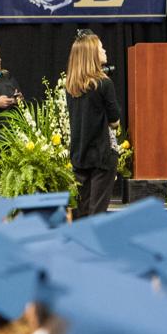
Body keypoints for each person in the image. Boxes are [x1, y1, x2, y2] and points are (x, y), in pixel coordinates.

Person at [65, 29, 120, 217]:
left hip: (80, 154)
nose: (105, 50)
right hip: (101, 156)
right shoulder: (104, 84)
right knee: (97, 212)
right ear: (92, 55)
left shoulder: (71, 86)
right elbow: (115, 119)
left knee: (82, 211)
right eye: (101, 48)